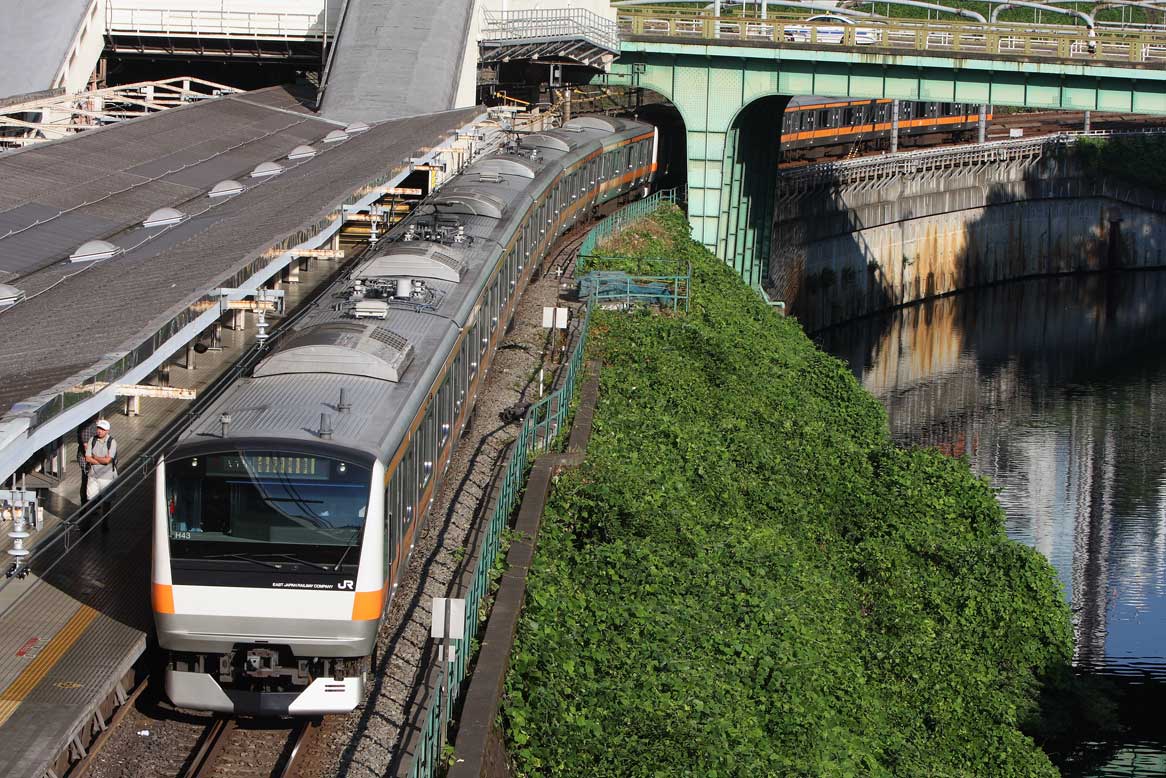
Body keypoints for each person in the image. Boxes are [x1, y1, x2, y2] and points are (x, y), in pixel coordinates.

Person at [83, 419, 118, 502]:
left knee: (107, 501)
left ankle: (105, 515)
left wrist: (94, 457)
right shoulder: (92, 440)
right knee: (91, 500)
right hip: (93, 476)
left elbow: (108, 461)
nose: (99, 431)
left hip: (107, 477)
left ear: (107, 431)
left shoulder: (112, 442)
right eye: (99, 428)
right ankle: (92, 514)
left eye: (102, 429)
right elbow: (87, 458)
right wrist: (102, 461)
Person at [76, 416, 99, 505]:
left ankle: (90, 504)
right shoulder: (87, 426)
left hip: (90, 459)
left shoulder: (90, 424)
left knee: (90, 482)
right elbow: (86, 447)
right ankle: (86, 505)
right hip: (87, 461)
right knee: (87, 482)